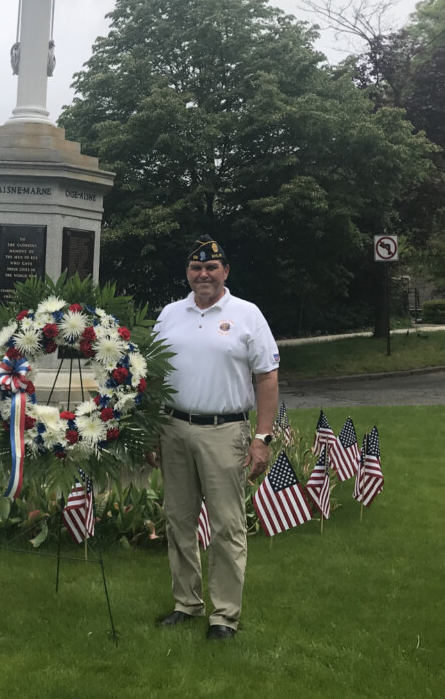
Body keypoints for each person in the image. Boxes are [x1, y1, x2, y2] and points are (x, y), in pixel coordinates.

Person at [152, 235, 279, 640]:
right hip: (173, 429)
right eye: (196, 268)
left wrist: (262, 437)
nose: (203, 274)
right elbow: (152, 374)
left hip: (225, 430)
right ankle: (186, 602)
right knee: (178, 520)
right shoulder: (170, 314)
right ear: (187, 273)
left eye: (211, 267)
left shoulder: (248, 314)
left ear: (225, 271)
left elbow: (267, 377)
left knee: (226, 525)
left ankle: (224, 614)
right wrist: (152, 430)